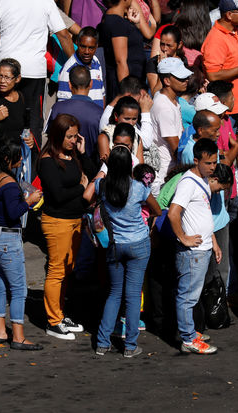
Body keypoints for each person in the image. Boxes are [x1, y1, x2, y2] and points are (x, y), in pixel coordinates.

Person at [86, 145, 162, 357]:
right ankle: (130, 346)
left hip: (114, 245)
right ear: (130, 165)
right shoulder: (139, 188)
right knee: (132, 295)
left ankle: (102, 342)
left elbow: (89, 194)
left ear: (110, 164)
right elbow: (156, 209)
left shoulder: (102, 185)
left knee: (114, 294)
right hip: (138, 244)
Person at [0, 0, 72, 146]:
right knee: (33, 115)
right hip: (34, 71)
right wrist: (74, 62)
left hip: (6, 70)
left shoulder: (1, 1)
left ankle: (5, 157)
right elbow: (64, 35)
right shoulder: (45, 1)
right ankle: (32, 164)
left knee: (5, 111)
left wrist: (2, 55)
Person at [0, 139, 44, 350]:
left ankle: (0, 331)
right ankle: (18, 336)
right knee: (18, 290)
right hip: (7, 240)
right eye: (18, 155)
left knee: (0, 285)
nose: (22, 158)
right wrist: (29, 200)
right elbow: (13, 213)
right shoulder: (9, 183)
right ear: (7, 158)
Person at [168, 138, 222, 354]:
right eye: (208, 163)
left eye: (214, 163)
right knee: (187, 295)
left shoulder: (202, 181)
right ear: (196, 160)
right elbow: (173, 213)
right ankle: (188, 339)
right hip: (193, 252)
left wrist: (214, 243)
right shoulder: (188, 183)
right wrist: (183, 238)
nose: (212, 167)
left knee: (192, 294)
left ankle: (189, 331)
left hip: (203, 249)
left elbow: (204, 214)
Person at [38, 113, 88, 340]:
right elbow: (57, 195)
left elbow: (89, 175)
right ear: (58, 135)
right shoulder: (47, 160)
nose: (73, 140)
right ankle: (53, 320)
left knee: (67, 269)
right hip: (57, 221)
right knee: (57, 270)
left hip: (75, 220)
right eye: (69, 136)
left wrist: (83, 153)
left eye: (75, 136)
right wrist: (80, 187)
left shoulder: (73, 154)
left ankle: (60, 313)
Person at [97, 0, 146, 101]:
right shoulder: (117, 23)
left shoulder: (112, 19)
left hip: (132, 81)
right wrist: (127, 94)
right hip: (126, 86)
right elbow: (120, 61)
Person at [151, 57, 194, 194]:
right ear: (167, 81)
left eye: (185, 77)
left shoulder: (171, 99)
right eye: (181, 78)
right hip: (166, 175)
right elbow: (176, 148)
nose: (186, 80)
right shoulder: (164, 107)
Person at [48, 65, 103, 158]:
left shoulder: (57, 108)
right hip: (90, 169)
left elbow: (50, 138)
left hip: (60, 166)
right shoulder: (100, 113)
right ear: (91, 84)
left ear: (69, 85)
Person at [57, 26, 105, 106]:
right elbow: (63, 104)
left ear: (96, 46)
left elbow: (101, 93)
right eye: (83, 47)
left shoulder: (96, 61)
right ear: (77, 43)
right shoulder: (68, 70)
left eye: (91, 48)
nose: (87, 52)